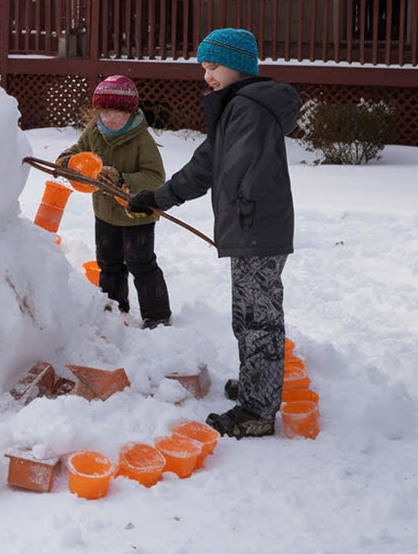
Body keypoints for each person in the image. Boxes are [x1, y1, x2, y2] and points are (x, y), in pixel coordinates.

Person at [129, 28, 300, 439]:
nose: (207, 75)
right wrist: (161, 197)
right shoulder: (236, 106)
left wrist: (237, 217)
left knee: (258, 319)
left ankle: (257, 410)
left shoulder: (249, 110)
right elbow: (206, 165)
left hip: (255, 228)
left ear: (238, 66)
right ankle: (258, 385)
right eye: (204, 68)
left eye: (214, 67)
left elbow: (239, 170)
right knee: (247, 316)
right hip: (249, 227)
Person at [57, 75, 170, 328]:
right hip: (105, 213)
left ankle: (158, 316)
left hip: (136, 214)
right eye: (105, 111)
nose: (110, 118)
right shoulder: (94, 132)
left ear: (130, 112)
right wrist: (66, 163)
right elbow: (76, 151)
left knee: (141, 264)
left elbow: (155, 177)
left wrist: (121, 179)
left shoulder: (142, 140)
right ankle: (114, 311)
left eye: (118, 112)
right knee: (109, 264)